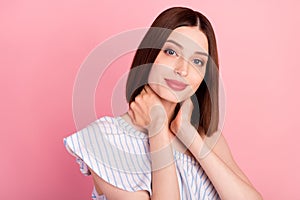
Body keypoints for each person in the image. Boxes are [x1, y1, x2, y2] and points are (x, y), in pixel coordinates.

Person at [64, 7, 262, 200]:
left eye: (198, 62)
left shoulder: (207, 138)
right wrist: (158, 128)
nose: (183, 70)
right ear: (150, 54)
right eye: (171, 52)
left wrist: (188, 134)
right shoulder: (104, 138)